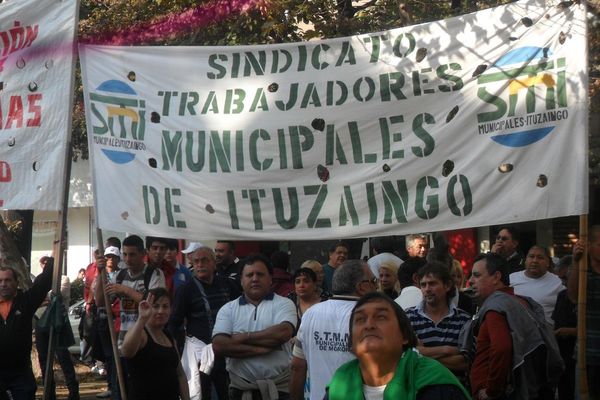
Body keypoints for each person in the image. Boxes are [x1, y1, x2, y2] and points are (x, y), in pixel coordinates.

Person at [326, 292, 469, 400]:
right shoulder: (338, 386)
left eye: (381, 317)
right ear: (351, 344)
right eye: (360, 319)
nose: (368, 325)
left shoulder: (438, 386)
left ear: (405, 336)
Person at [461, 253, 563, 400]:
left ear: (496, 277)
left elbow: (502, 348)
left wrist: (491, 391)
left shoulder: (496, 307)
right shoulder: (520, 302)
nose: (470, 281)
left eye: (476, 275)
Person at [212, 254, 297, 400]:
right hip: (241, 391)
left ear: (271, 278)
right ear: (241, 280)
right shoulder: (228, 309)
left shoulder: (284, 304)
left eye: (260, 274)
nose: (255, 279)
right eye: (249, 275)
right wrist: (263, 348)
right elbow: (219, 346)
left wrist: (242, 337)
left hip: (279, 391)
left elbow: (283, 333)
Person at [290, 260, 377, 400]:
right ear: (361, 287)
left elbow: (297, 366)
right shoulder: (371, 318)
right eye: (373, 280)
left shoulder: (310, 314)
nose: (376, 285)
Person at [95, 235, 166, 399]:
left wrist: (126, 291)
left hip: (148, 344)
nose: (128, 259)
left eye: (132, 254)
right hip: (123, 344)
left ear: (143, 254)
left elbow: (155, 304)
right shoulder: (119, 275)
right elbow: (101, 301)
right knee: (123, 392)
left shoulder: (154, 274)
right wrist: (100, 274)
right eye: (125, 254)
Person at [169, 246, 240, 400]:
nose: (200, 264)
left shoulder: (228, 285)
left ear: (214, 264)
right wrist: (174, 352)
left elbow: (240, 311)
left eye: (204, 260)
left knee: (227, 392)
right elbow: (174, 322)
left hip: (227, 351)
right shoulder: (186, 290)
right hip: (200, 354)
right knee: (202, 393)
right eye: (196, 261)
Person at [121, 287, 189, 400]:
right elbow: (126, 352)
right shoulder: (140, 333)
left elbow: (180, 374)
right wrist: (142, 319)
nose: (160, 311)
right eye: (155, 306)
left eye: (165, 306)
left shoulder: (169, 337)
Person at [0, 258, 53, 400]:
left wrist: (56, 252)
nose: (3, 284)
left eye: (8, 280)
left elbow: (44, 281)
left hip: (20, 372)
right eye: (0, 281)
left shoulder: (25, 302)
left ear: (17, 283)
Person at [405, 262, 470, 377]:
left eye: (432, 284)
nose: (427, 289)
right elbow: (406, 356)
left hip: (454, 389)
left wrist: (423, 353)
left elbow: (465, 362)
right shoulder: (409, 317)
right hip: (420, 389)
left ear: (447, 285)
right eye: (423, 285)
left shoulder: (463, 319)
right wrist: (447, 350)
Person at [35, 256, 79, 400]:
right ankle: (49, 392)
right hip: (41, 323)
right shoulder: (40, 280)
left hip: (58, 323)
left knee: (63, 357)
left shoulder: (63, 279)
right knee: (43, 359)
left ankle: (73, 391)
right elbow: (37, 298)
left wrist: (45, 298)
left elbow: (55, 296)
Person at [568, 225, 600, 400]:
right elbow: (573, 296)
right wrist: (576, 261)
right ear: (590, 246)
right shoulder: (583, 273)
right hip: (587, 355)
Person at [510, 245, 564, 326]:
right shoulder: (511, 279)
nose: (535, 260)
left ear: (548, 262)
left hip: (545, 335)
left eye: (540, 257)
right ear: (525, 260)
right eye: (531, 256)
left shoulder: (558, 282)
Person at [552, 257, 576, 400]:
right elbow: (557, 322)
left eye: (566, 279)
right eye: (561, 280)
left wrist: (571, 331)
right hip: (564, 357)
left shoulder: (588, 296)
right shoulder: (562, 295)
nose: (564, 283)